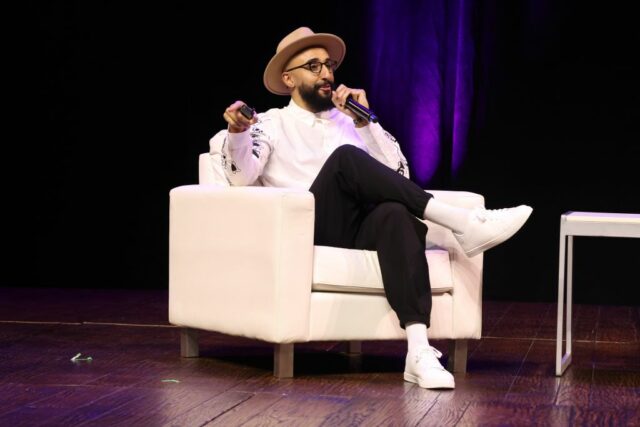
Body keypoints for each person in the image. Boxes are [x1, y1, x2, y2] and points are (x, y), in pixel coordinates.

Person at [213, 27, 532, 389]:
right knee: (346, 159)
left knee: (397, 215)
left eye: (329, 65)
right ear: (289, 79)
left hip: (356, 228)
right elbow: (241, 178)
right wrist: (237, 133)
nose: (327, 75)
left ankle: (418, 351)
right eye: (314, 66)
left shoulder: (352, 123)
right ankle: (462, 223)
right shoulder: (270, 124)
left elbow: (401, 176)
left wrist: (366, 122)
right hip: (307, 230)